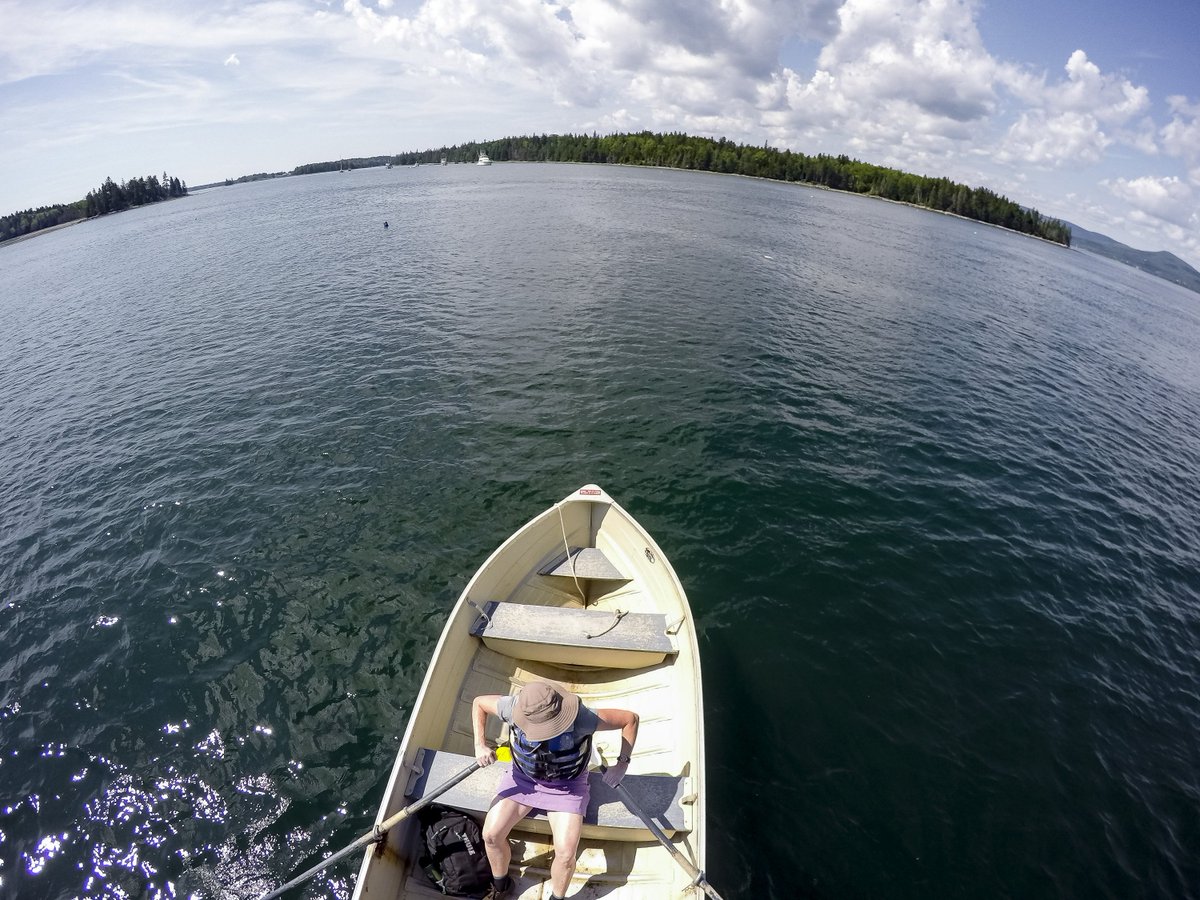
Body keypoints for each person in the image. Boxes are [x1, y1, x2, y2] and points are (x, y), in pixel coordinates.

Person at [472, 681, 639, 900]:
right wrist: (480, 745)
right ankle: (501, 885)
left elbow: (630, 719)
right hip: (524, 779)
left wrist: (622, 764)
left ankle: (556, 898)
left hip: (567, 786)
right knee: (491, 836)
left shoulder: (583, 717)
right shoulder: (512, 707)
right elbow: (479, 703)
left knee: (566, 853)